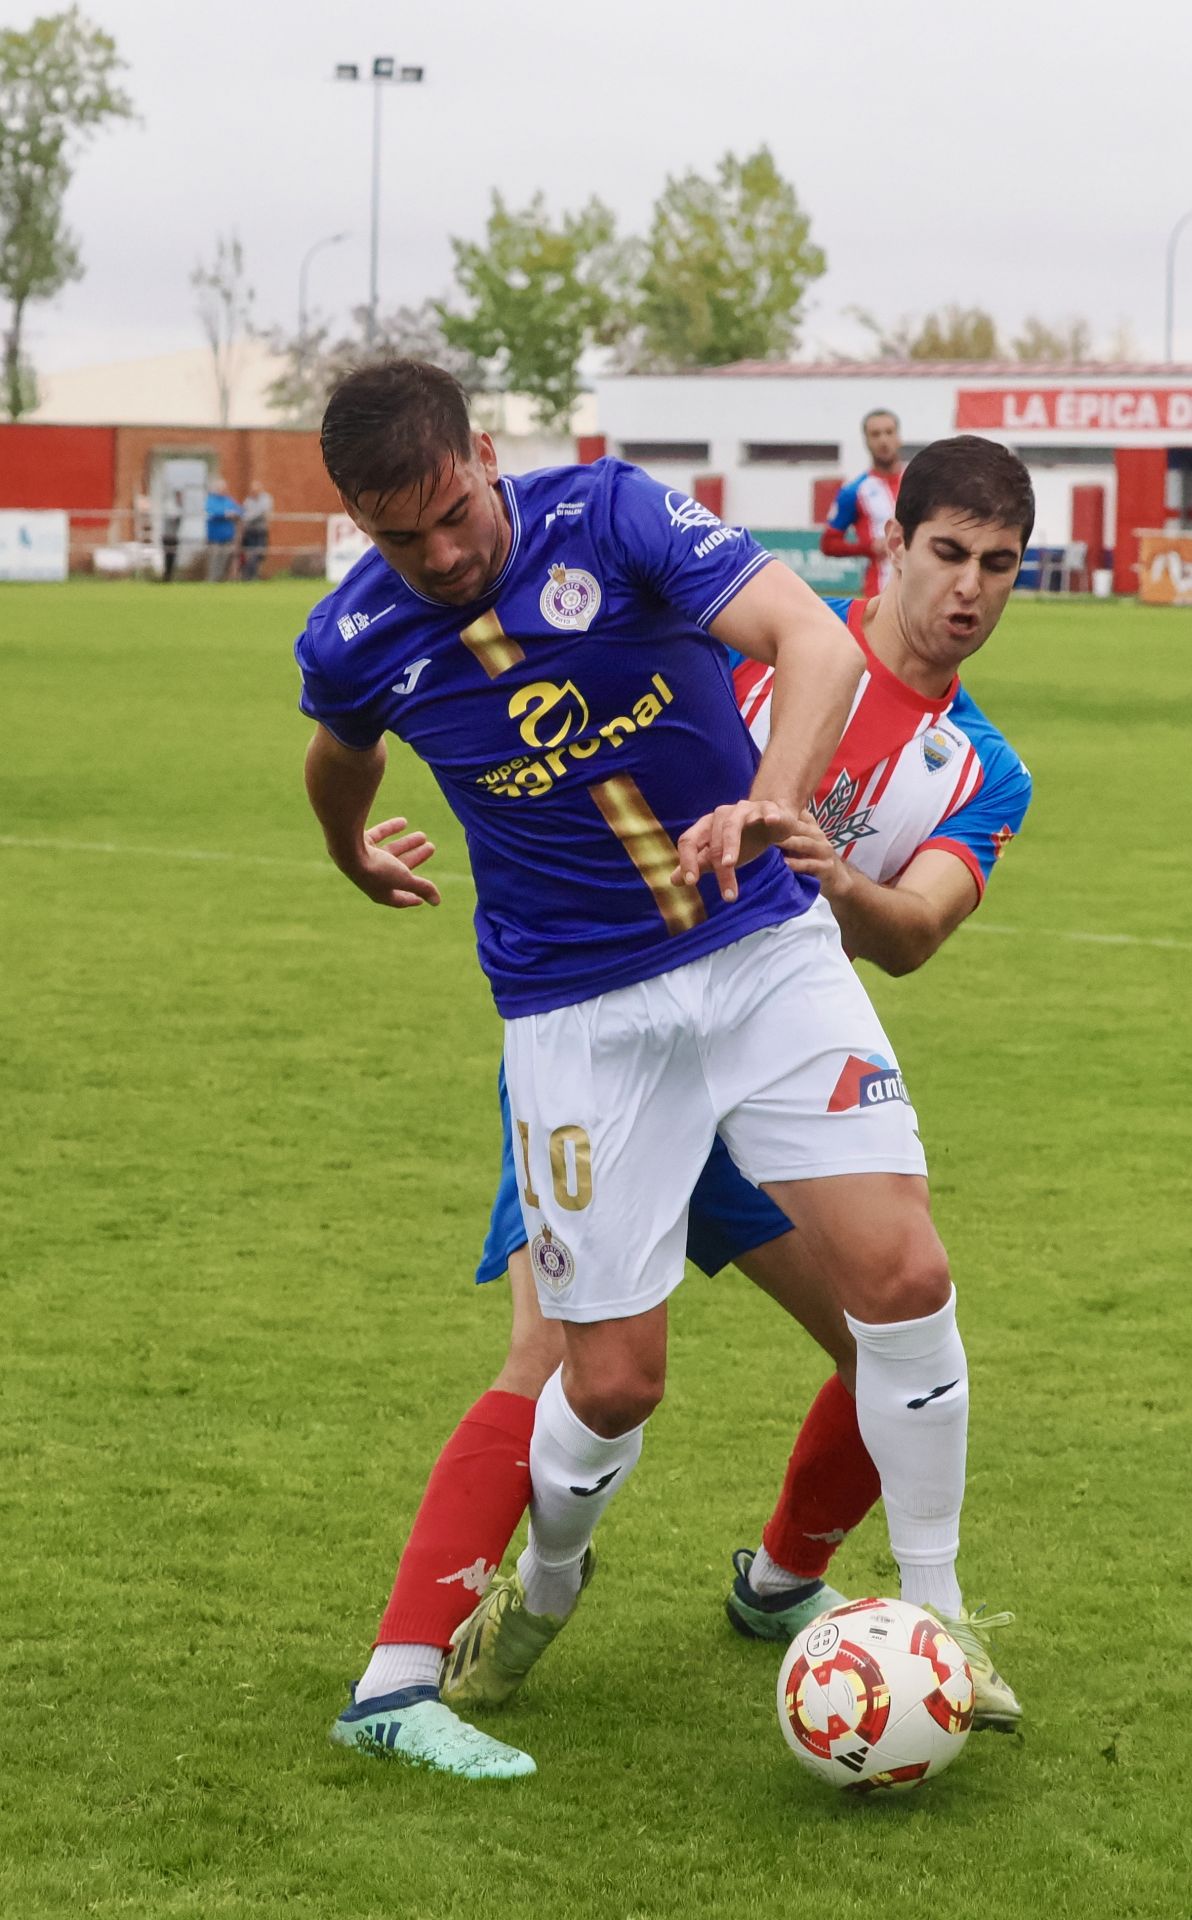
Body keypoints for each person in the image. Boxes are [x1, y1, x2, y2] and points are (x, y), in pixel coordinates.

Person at [295, 363, 993, 1783]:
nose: (436, 557)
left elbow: (814, 644)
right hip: (576, 1017)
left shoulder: (611, 515)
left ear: (485, 455)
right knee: (609, 1383)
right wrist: (347, 850)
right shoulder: (356, 634)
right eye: (396, 538)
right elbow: (336, 755)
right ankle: (545, 1584)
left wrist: (771, 800)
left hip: (759, 955)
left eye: (448, 516)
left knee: (906, 1279)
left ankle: (942, 1618)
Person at [821, 409, 903, 598]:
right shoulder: (854, 492)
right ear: (866, 441)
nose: (883, 440)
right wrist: (868, 547)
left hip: (919, 589)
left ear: (899, 438)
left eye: (889, 432)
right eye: (875, 434)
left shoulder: (918, 482)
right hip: (879, 592)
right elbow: (829, 543)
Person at [204, 477, 240, 582]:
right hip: (215, 537)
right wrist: (225, 514)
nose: (223, 490)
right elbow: (211, 512)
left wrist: (235, 513)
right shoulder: (210, 500)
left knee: (224, 560)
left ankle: (220, 580)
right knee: (214, 560)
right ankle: (211, 581)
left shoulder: (228, 500)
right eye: (221, 488)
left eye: (224, 488)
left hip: (227, 536)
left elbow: (239, 510)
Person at [240, 480, 273, 581]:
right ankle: (249, 576)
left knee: (260, 554)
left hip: (261, 531)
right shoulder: (248, 500)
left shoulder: (266, 499)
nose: (254, 492)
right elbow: (244, 513)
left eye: (256, 490)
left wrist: (249, 518)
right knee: (250, 554)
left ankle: (252, 574)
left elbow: (262, 512)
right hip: (250, 531)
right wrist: (248, 518)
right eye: (252, 490)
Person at [161, 489, 182, 583]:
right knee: (167, 557)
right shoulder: (171, 506)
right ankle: (166, 576)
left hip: (174, 536)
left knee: (172, 557)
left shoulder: (179, 507)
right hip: (168, 536)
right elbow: (174, 516)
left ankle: (170, 576)